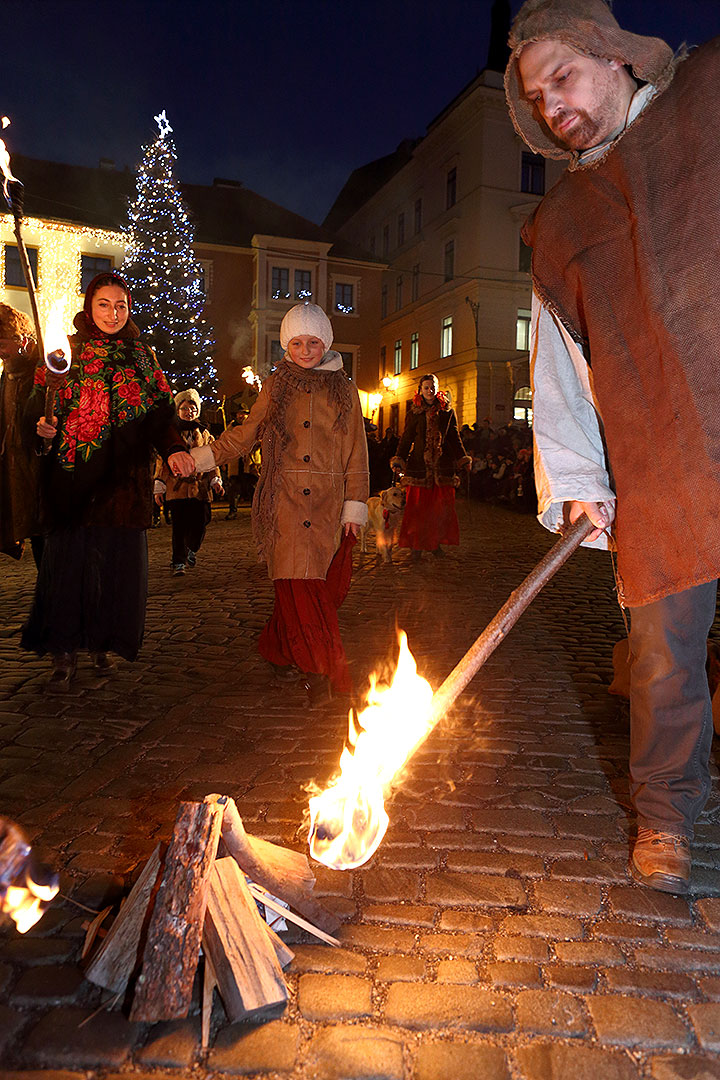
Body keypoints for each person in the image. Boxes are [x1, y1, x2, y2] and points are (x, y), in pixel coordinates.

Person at [505, 0, 720, 893]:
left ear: (616, 58)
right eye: (537, 99)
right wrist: (581, 481)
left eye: (564, 78)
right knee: (665, 654)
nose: (554, 108)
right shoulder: (558, 229)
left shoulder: (708, 105)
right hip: (659, 457)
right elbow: (558, 369)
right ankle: (667, 820)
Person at [184, 302, 369, 703]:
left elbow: (358, 452)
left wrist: (356, 504)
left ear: (326, 342)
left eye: (313, 341)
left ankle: (277, 648)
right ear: (287, 345)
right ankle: (321, 670)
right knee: (299, 589)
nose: (306, 349)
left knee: (318, 589)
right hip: (283, 501)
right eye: (297, 342)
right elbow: (245, 434)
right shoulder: (276, 385)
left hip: (326, 505)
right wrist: (202, 458)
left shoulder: (345, 389)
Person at [22, 272, 192, 687]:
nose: (113, 313)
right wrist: (41, 424)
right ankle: (63, 651)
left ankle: (101, 644)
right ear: (89, 306)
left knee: (112, 567)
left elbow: (159, 415)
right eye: (104, 304)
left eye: (121, 305)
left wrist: (174, 449)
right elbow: (37, 404)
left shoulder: (142, 356)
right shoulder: (65, 351)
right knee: (68, 566)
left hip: (122, 482)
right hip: (73, 478)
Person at [391, 373, 470, 560]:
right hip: (419, 466)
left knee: (439, 510)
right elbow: (407, 438)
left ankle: (435, 544)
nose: (430, 390)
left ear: (437, 388)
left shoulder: (447, 412)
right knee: (418, 509)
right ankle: (416, 547)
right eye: (426, 387)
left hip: (441, 468)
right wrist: (399, 458)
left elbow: (454, 438)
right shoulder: (414, 413)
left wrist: (462, 458)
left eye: (432, 387)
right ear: (421, 390)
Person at [154, 388, 223, 575]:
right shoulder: (171, 433)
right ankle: (178, 562)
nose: (189, 412)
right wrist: (159, 485)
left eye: (192, 409)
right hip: (177, 487)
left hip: (199, 488)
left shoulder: (205, 433)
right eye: (185, 408)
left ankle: (192, 548)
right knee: (179, 526)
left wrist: (215, 479)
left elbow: (212, 458)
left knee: (202, 521)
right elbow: (162, 460)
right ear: (178, 410)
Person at [0, 304, 41, 565]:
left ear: (21, 341)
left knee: (42, 531)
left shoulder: (41, 369)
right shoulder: (8, 372)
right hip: (13, 465)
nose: (0, 351)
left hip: (37, 465)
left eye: (3, 344)